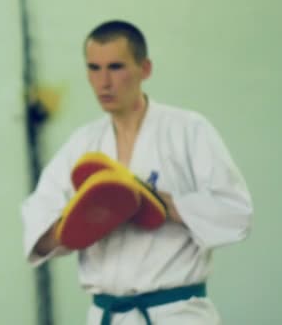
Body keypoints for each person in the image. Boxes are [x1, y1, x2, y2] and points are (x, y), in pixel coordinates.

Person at [21, 20, 253, 324]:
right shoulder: (82, 143)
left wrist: (164, 205)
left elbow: (237, 213)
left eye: (116, 67)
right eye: (94, 68)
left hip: (176, 314)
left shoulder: (188, 130)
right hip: (108, 315)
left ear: (145, 69)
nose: (103, 82)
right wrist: (82, 220)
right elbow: (39, 235)